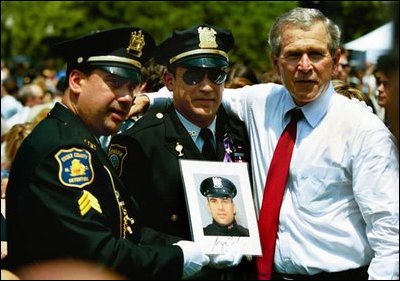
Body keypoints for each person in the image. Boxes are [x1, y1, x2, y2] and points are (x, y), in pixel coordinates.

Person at [134, 7, 399, 280]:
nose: (304, 66)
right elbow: (204, 95)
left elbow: (391, 235)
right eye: (293, 55)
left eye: (316, 54)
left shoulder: (364, 131)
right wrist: (148, 99)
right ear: (275, 63)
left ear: (335, 60)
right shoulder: (261, 102)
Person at [5, 27, 210, 280]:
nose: (126, 97)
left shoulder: (80, 138)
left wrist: (188, 246)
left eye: (133, 86)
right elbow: (97, 255)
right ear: (77, 81)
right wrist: (178, 259)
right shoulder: (64, 151)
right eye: (114, 83)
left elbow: (126, 228)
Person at [108, 24, 253, 279]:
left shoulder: (242, 132)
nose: (207, 87)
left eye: (216, 75)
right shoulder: (141, 141)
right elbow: (126, 225)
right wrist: (182, 250)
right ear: (169, 81)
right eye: (194, 76)